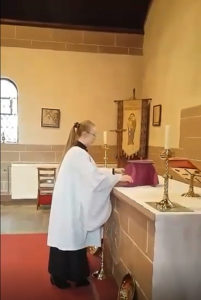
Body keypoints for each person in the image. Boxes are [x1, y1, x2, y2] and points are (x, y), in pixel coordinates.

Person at [47, 120, 133, 289]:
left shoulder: (77, 152)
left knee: (73, 239)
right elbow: (93, 178)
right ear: (85, 135)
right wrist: (116, 178)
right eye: (94, 134)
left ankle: (75, 274)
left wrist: (113, 172)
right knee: (67, 239)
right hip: (68, 206)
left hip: (70, 203)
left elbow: (91, 172)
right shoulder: (77, 153)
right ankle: (58, 276)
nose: (95, 138)